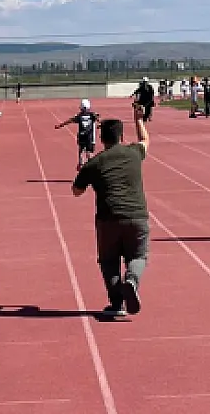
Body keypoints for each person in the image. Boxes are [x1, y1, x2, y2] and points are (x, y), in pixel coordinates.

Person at [71, 104, 151, 320]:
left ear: (102, 139)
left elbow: (76, 192)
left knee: (109, 261)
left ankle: (117, 303)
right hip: (137, 216)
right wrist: (139, 120)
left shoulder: (94, 163)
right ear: (121, 136)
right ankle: (132, 280)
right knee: (138, 255)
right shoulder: (134, 153)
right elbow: (146, 140)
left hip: (108, 218)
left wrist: (84, 173)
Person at [56, 99, 100, 169]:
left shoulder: (79, 116)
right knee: (89, 152)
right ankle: (91, 165)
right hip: (90, 137)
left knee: (81, 150)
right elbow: (99, 120)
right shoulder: (93, 115)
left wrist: (61, 125)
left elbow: (70, 120)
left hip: (81, 136)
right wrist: (99, 123)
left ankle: (81, 162)